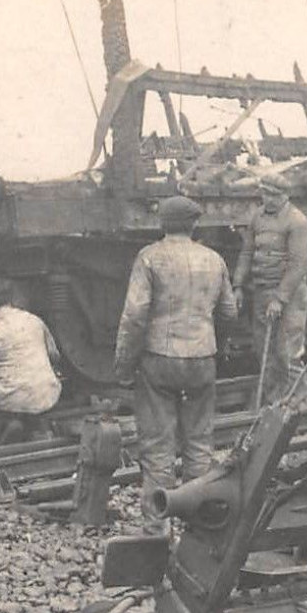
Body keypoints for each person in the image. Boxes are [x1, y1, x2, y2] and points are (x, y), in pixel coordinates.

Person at [114, 196, 239, 528]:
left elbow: (135, 315)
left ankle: (157, 528)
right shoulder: (214, 259)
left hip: (159, 359)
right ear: (194, 224)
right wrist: (217, 344)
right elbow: (229, 312)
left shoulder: (149, 258)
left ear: (161, 223)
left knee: (157, 448)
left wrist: (125, 364)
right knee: (199, 443)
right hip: (202, 358)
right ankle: (200, 526)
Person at [232, 175, 307, 405]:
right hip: (261, 290)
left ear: (285, 196)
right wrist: (238, 285)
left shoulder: (298, 222)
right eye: (264, 194)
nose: (267, 199)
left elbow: (299, 265)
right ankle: (274, 399)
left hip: (289, 294)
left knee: (288, 349)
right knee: (264, 349)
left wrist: (280, 298)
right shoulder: (257, 217)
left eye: (272, 195)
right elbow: (247, 253)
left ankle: (299, 400)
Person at [0, 278, 62, 443]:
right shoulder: (35, 320)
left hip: (8, 400)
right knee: (34, 398)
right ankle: (38, 426)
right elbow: (54, 355)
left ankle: (4, 425)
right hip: (47, 396)